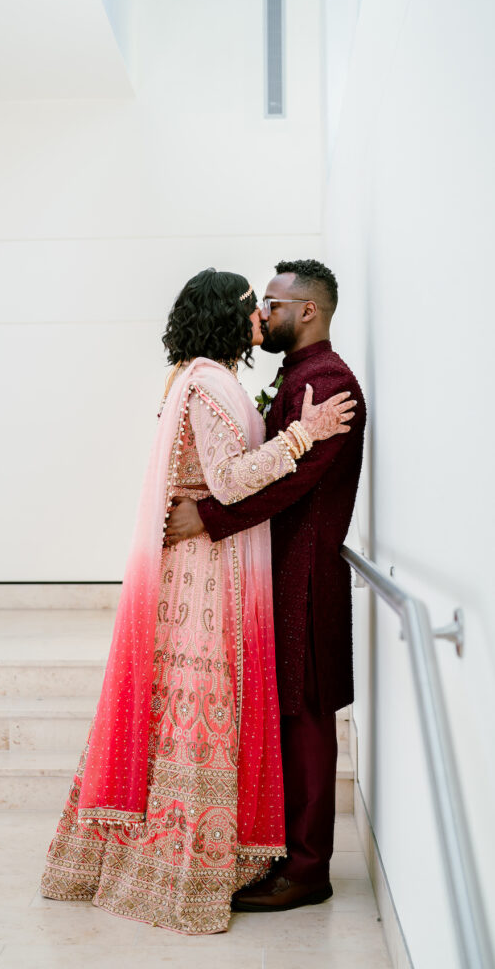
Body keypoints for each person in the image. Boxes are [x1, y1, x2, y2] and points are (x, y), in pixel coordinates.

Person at [40, 267, 356, 934]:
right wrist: (300, 435)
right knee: (195, 715)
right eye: (251, 306)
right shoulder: (211, 381)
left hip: (220, 562)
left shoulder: (204, 375)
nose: (256, 317)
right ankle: (187, 860)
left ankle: (229, 853)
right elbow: (230, 478)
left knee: (192, 717)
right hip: (206, 577)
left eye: (265, 305)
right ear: (226, 315)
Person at [164, 259, 367, 912]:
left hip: (305, 581)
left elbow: (291, 481)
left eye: (274, 304)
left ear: (307, 311)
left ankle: (309, 870)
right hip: (276, 577)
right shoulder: (296, 377)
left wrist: (207, 516)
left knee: (306, 721)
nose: (262, 315)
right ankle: (282, 854)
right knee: (284, 720)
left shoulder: (330, 384)